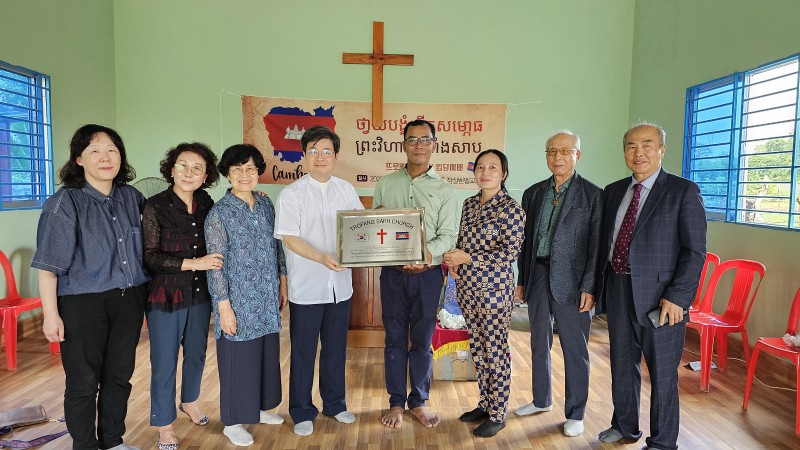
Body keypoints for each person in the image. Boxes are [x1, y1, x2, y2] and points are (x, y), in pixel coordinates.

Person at [33, 124, 148, 450]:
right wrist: (50, 316)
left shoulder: (131, 197)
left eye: (112, 149)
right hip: (82, 304)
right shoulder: (64, 204)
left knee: (118, 377)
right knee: (83, 383)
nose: (105, 157)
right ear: (79, 159)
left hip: (128, 300)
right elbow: (47, 267)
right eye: (95, 151)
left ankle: (112, 441)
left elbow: (158, 233)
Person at [596, 123, 706, 450]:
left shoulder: (682, 191)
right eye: (631, 145)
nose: (638, 152)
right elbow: (606, 244)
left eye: (647, 144)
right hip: (617, 288)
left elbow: (695, 251)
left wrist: (677, 297)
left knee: (662, 375)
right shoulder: (613, 191)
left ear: (662, 150)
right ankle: (625, 426)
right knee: (621, 364)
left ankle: (662, 442)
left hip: (661, 299)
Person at [274, 126, 364, 436]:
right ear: (303, 156)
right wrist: (321, 258)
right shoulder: (292, 194)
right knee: (303, 351)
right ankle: (301, 410)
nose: (320, 157)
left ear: (336, 156)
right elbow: (290, 238)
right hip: (308, 287)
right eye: (313, 151)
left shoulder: (346, 190)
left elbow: (360, 229)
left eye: (326, 151)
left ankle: (335, 404)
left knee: (335, 349)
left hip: (341, 287)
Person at [513, 131, 602, 438]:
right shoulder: (534, 193)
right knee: (539, 340)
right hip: (537, 274)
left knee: (575, 349)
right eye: (551, 151)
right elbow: (526, 244)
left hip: (574, 283)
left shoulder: (592, 195)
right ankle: (540, 400)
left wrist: (589, 286)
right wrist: (522, 280)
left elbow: (596, 246)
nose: (557, 156)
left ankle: (576, 412)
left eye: (565, 150)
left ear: (578, 154)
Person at [373, 119, 459, 429]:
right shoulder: (385, 183)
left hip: (428, 275)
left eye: (425, 140)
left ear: (434, 144)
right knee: (394, 340)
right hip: (393, 274)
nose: (419, 145)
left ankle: (419, 401)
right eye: (412, 140)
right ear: (404, 144)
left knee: (422, 341)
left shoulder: (445, 190)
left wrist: (425, 256)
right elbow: (375, 227)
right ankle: (396, 403)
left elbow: (449, 235)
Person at [205, 144, 288, 447]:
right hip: (237, 300)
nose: (245, 174)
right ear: (227, 173)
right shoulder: (219, 213)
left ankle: (256, 409)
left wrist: (282, 281)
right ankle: (233, 420)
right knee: (237, 359)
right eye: (238, 169)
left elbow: (276, 246)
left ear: (258, 172)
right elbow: (215, 265)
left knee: (265, 356)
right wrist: (223, 307)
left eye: (250, 168)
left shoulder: (266, 204)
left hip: (266, 298)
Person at [142, 142, 222, 450]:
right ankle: (163, 423)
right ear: (171, 169)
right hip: (165, 295)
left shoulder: (206, 202)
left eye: (197, 168)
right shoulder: (155, 206)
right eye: (183, 166)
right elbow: (150, 256)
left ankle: (190, 401)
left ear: (206, 176)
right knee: (164, 361)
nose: (189, 173)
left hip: (200, 292)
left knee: (197, 353)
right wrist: (194, 263)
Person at [443, 149, 525, 437]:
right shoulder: (468, 204)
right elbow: (461, 242)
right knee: (478, 347)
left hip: (494, 292)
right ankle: (485, 403)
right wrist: (454, 263)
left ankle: (499, 413)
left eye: (493, 167)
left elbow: (509, 254)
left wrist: (469, 259)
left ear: (503, 174)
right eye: (480, 167)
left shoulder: (511, 209)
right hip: (467, 288)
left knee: (495, 350)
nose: (485, 172)